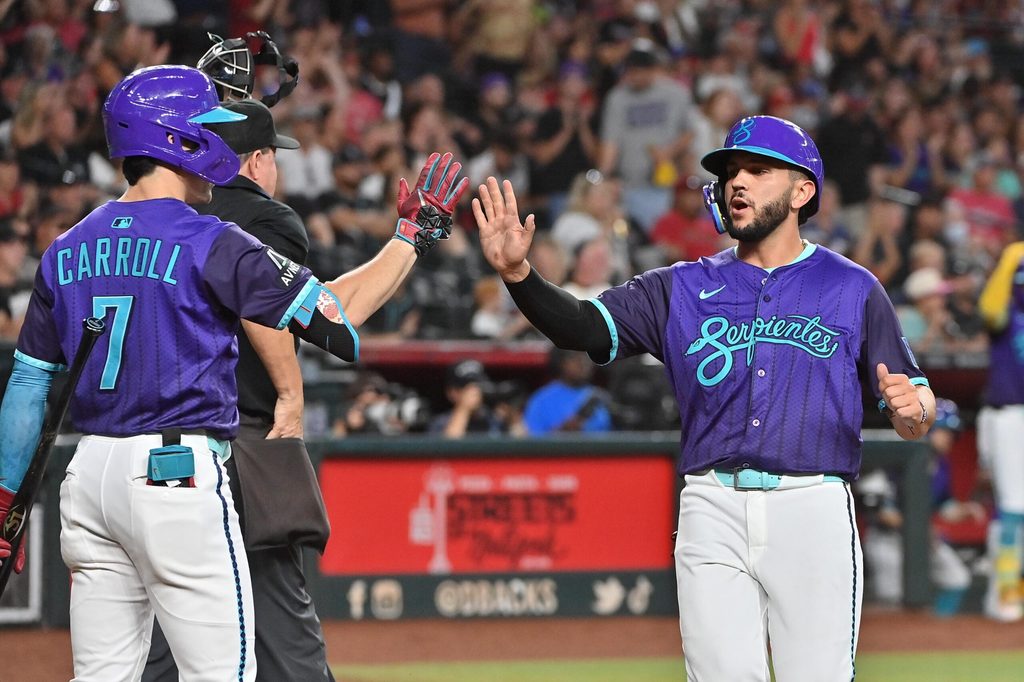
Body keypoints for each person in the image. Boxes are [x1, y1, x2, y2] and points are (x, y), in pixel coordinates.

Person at [0, 65, 467, 681]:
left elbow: (29, 386)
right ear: (178, 141)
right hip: (174, 474)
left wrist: (6, 501)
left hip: (87, 478)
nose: (221, 144)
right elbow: (335, 319)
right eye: (209, 129)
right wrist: (412, 235)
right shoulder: (210, 239)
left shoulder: (65, 250)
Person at [472, 115, 935, 680]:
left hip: (811, 505)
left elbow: (915, 403)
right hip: (711, 507)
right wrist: (521, 275)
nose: (736, 182)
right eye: (730, 171)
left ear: (802, 191)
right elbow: (583, 329)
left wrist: (915, 412)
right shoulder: (679, 287)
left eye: (758, 170)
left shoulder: (853, 286)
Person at [140, 99, 330, 680]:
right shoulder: (268, 221)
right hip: (239, 437)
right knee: (282, 631)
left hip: (141, 447)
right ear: (257, 161)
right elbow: (289, 310)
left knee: (164, 636)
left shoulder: (155, 215)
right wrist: (291, 393)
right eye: (275, 157)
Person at [976, 240, 1024, 622]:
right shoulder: (1007, 314)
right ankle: (1004, 591)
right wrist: (1009, 257)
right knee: (1013, 509)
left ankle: (1010, 587)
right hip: (1009, 416)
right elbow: (989, 308)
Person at [522, 348, 612, 435]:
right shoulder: (541, 400)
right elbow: (533, 442)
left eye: (587, 356)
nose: (583, 362)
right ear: (560, 362)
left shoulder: (602, 396)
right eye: (575, 357)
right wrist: (565, 431)